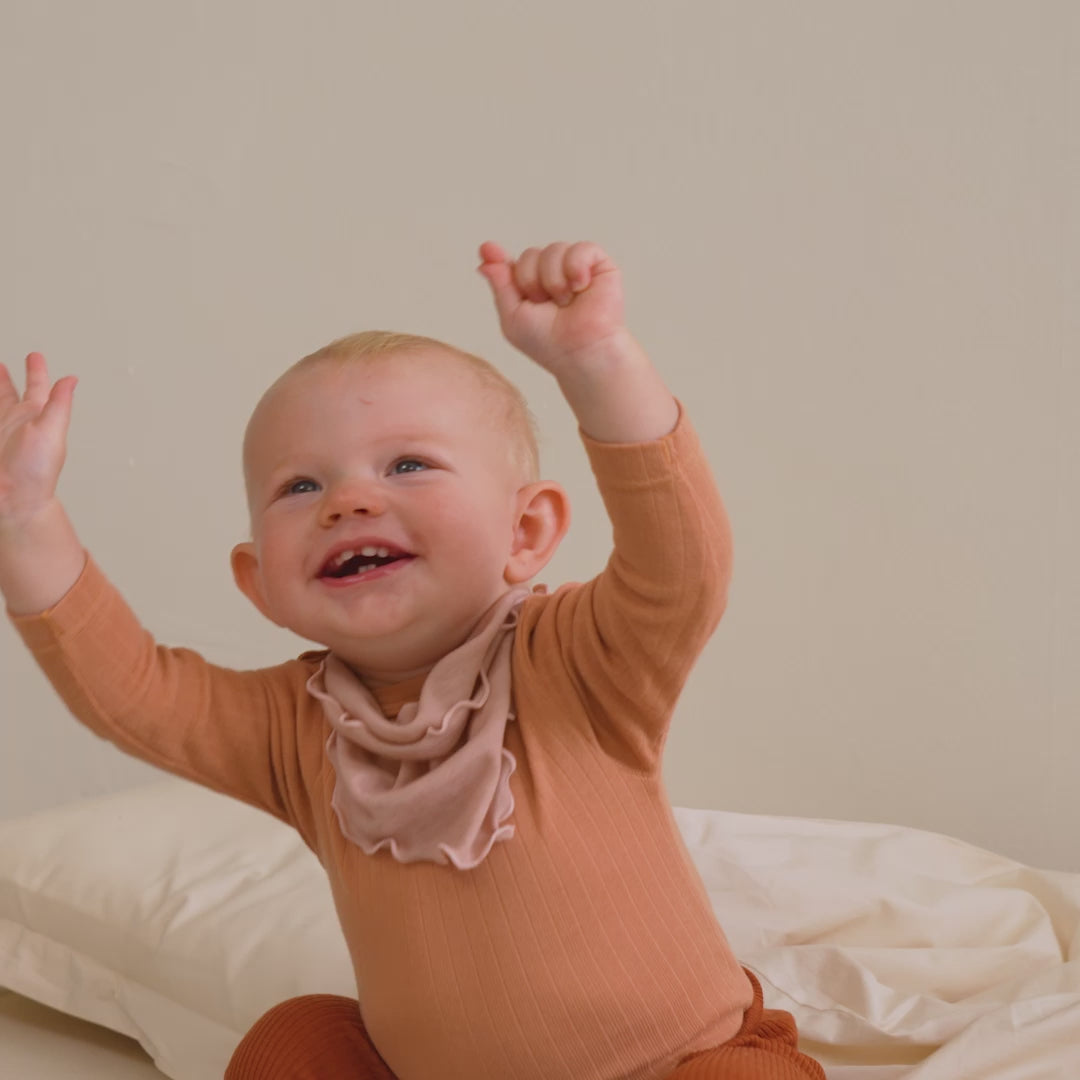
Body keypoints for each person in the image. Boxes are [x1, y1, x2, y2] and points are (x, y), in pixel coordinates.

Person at [1, 241, 824, 1079]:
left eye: (408, 465)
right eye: (299, 487)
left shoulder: (576, 665)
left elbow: (679, 570)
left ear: (526, 533)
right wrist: (25, 519)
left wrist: (597, 363)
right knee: (301, 1038)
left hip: (679, 1062)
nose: (350, 500)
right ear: (260, 584)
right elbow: (131, 693)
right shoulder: (292, 731)